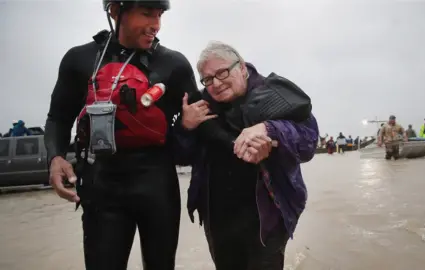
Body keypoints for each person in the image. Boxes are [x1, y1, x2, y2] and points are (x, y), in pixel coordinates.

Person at [43, 1, 220, 269]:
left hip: (157, 184)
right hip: (101, 186)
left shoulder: (173, 63)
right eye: (147, 14)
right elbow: (58, 116)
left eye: (159, 15)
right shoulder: (79, 59)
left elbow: (205, 121)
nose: (156, 25)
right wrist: (55, 157)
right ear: (115, 11)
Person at [177, 41, 319, 270]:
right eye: (208, 79)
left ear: (242, 67)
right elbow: (181, 156)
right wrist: (185, 126)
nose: (216, 83)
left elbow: (309, 142)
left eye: (222, 73)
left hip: (267, 215)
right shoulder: (200, 107)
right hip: (218, 217)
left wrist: (270, 129)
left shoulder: (276, 95)